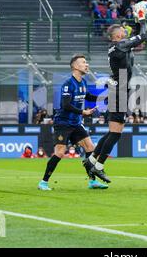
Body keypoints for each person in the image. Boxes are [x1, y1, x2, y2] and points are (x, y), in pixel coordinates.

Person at [82, 5, 147, 184]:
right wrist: (142, 18)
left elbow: (137, 37)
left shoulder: (119, 47)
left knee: (114, 132)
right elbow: (144, 36)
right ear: (117, 36)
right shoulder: (120, 46)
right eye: (123, 32)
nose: (126, 33)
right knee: (116, 132)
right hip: (118, 91)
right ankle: (98, 164)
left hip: (118, 90)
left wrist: (137, 21)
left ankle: (93, 160)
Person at [38, 54, 108, 191]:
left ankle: (92, 181)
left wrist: (103, 97)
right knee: (60, 152)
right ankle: (43, 182)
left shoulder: (82, 82)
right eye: (83, 62)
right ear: (75, 66)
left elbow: (87, 96)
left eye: (86, 62)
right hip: (63, 123)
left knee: (90, 148)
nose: (87, 64)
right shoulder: (68, 84)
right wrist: (83, 112)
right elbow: (65, 105)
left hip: (76, 123)